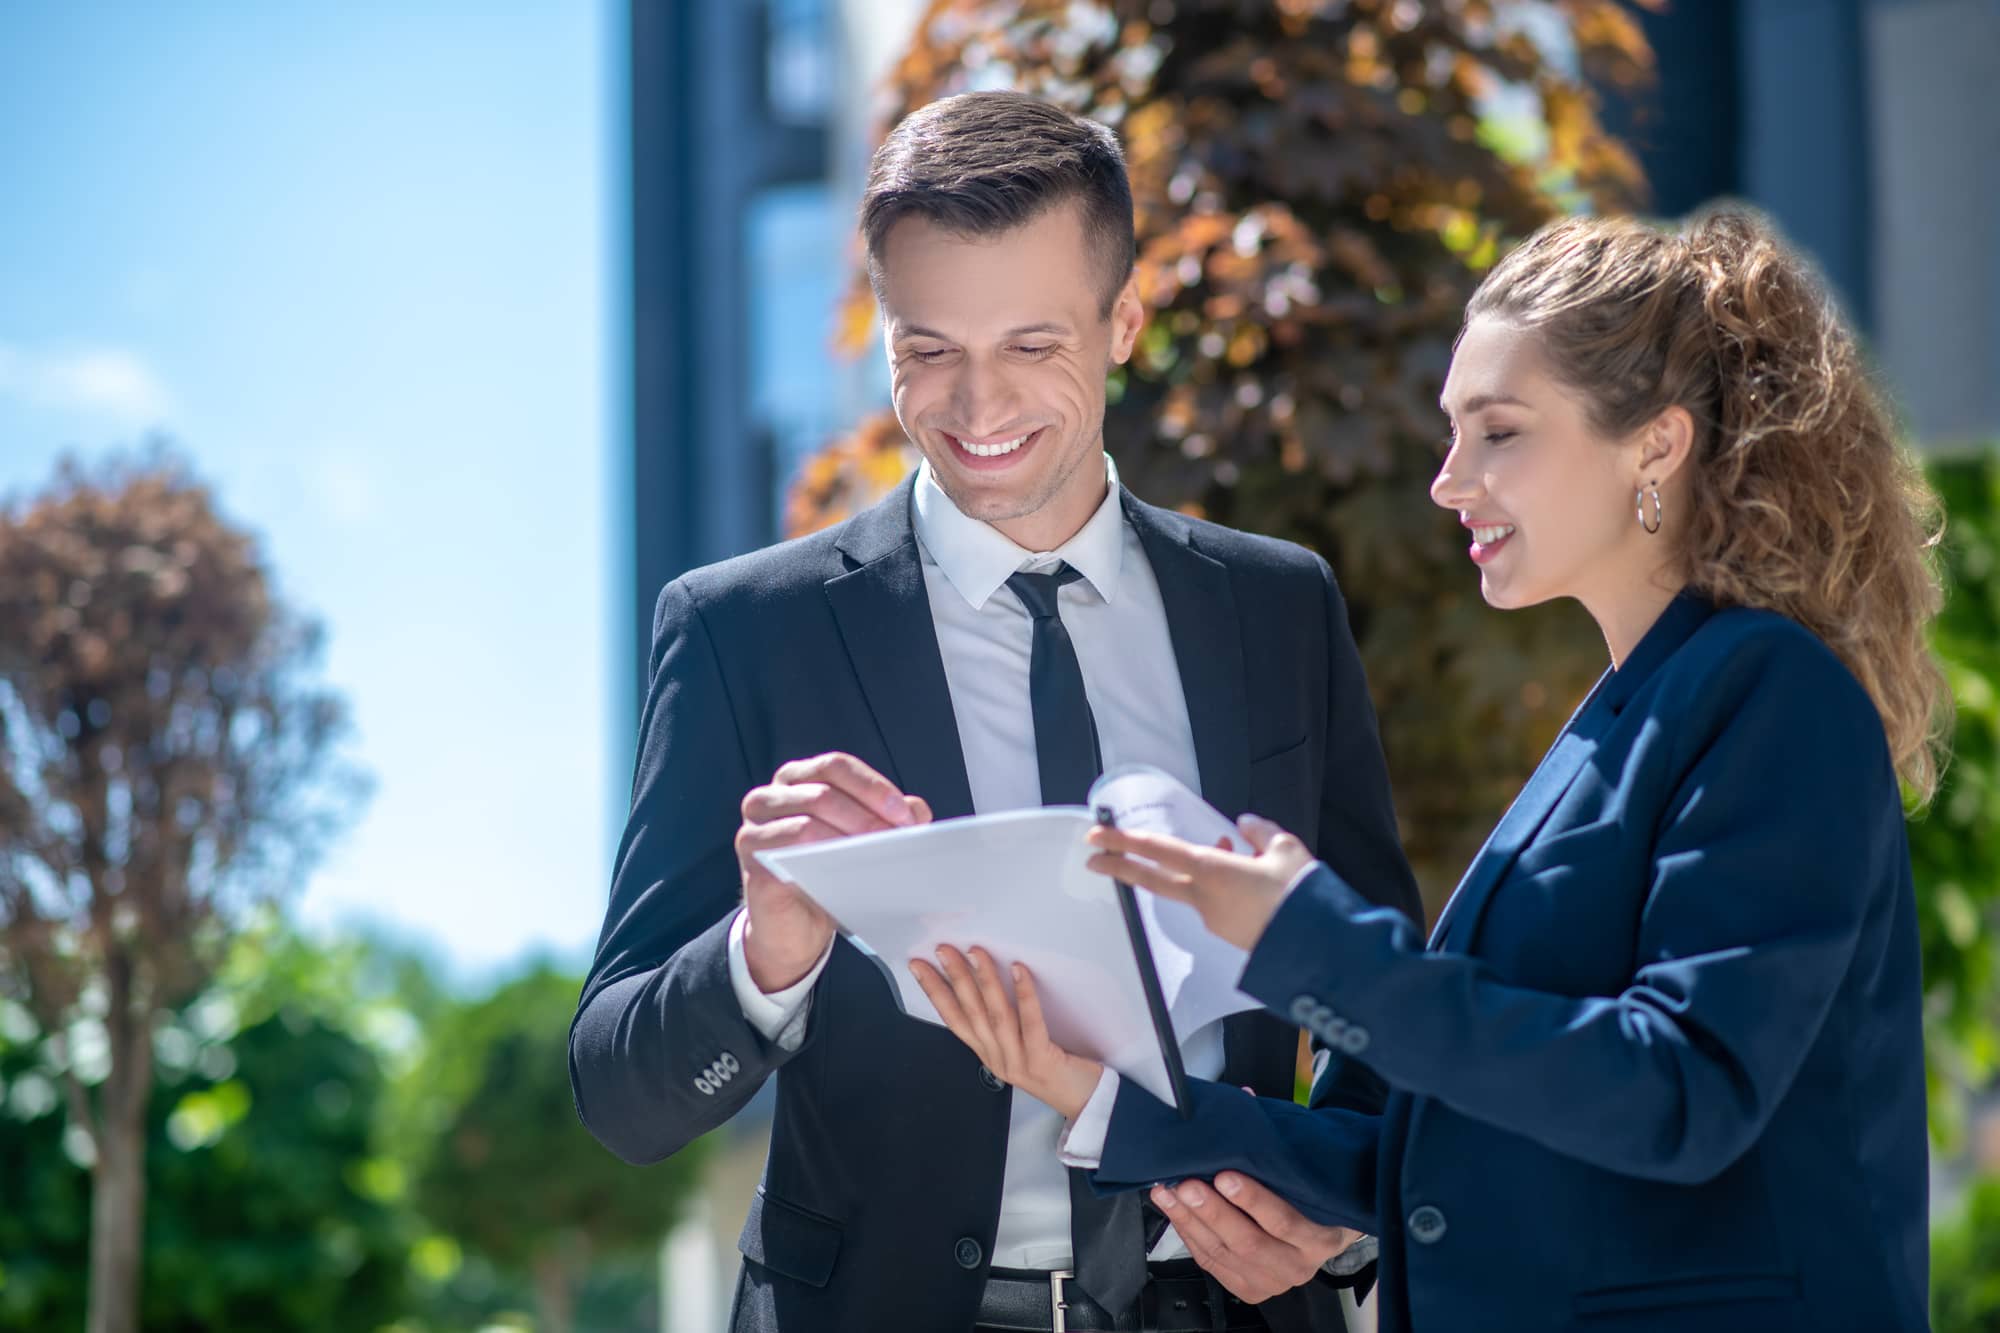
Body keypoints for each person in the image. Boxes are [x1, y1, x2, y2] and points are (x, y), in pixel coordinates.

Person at [914, 207, 1945, 1332]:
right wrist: (1088, 1086)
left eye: (1497, 433)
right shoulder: (1618, 714)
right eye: (1452, 434)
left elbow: (1677, 1095)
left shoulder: (1765, 695)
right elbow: (1438, 1138)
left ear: (1653, 443)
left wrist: (1306, 936)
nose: (1448, 481)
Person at [568, 90, 1422, 1333]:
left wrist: (1331, 1215)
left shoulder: (1274, 609)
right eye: (927, 350)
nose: (977, 410)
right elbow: (622, 1095)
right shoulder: (744, 631)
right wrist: (766, 952)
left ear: (1123, 321)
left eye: (1031, 346)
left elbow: (1374, 998)